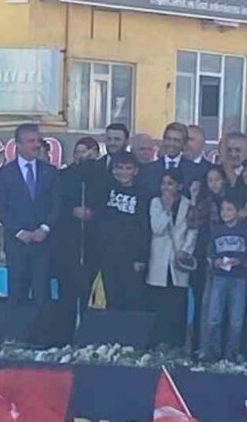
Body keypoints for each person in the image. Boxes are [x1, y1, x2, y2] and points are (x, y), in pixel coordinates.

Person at [0, 124, 58, 305]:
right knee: (17, 295)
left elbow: (57, 205)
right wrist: (19, 232)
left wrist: (44, 228)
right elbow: (0, 208)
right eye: (30, 141)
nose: (36, 145)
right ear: (18, 145)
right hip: (17, 245)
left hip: (42, 244)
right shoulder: (5, 174)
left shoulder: (50, 172)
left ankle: (43, 325)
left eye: (37, 141)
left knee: (42, 295)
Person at [56, 137, 108, 320]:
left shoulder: (103, 176)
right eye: (77, 152)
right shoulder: (63, 176)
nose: (80, 156)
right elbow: (56, 205)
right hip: (69, 243)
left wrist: (94, 214)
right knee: (67, 291)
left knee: (90, 292)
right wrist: (72, 211)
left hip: (93, 243)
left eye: (84, 152)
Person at [96, 152, 150, 312]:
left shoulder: (143, 194)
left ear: (136, 171)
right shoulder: (104, 190)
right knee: (111, 299)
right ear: (113, 169)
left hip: (132, 257)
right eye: (119, 168)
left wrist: (141, 257)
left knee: (132, 300)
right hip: (108, 255)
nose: (123, 172)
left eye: (128, 168)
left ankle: (129, 329)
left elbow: (145, 228)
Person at [147, 171, 195, 347]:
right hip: (159, 260)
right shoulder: (155, 203)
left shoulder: (187, 204)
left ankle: (176, 344)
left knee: (177, 304)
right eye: (164, 183)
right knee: (158, 303)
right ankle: (156, 343)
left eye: (170, 184)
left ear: (179, 186)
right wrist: (167, 210)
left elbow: (192, 231)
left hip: (178, 260)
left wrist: (185, 251)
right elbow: (157, 228)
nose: (166, 187)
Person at [201, 197, 247, 361]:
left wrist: (239, 261)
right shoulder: (216, 231)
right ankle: (212, 352)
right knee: (214, 316)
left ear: (238, 212)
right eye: (223, 210)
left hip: (239, 278)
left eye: (229, 210)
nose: (225, 213)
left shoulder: (245, 231)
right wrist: (215, 262)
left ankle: (232, 353)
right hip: (219, 277)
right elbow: (210, 254)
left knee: (236, 319)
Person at [188, 165, 229, 353]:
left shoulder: (230, 201)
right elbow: (192, 222)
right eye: (210, 180)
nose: (214, 184)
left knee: (225, 303)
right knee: (202, 302)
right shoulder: (205, 201)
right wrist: (194, 198)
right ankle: (199, 345)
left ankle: (221, 347)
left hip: (226, 255)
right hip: (204, 254)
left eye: (217, 179)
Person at [140, 122, 189, 194]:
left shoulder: (194, 171)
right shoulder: (147, 170)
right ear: (163, 140)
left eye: (176, 140)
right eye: (168, 139)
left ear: (184, 143)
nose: (171, 144)